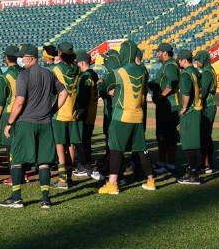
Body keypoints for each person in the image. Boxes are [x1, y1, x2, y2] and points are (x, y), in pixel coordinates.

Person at [0, 45, 68, 209]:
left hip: (26, 123)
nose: (21, 60)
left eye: (23, 57)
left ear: (30, 58)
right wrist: (52, 111)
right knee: (44, 162)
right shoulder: (49, 74)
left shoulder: (24, 75)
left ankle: (16, 198)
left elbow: (19, 101)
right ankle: (45, 199)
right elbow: (64, 92)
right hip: (45, 123)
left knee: (16, 159)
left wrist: (9, 123)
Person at [98, 40, 156, 195]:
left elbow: (104, 86)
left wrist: (108, 89)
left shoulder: (119, 71)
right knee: (142, 149)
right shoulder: (143, 71)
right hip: (138, 115)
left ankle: (112, 184)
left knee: (116, 150)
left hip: (121, 115)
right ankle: (151, 180)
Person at [50, 42, 82, 189]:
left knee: (60, 145)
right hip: (72, 112)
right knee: (70, 145)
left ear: (60, 54)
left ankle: (62, 180)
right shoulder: (77, 69)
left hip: (59, 112)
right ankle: (69, 176)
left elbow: (53, 90)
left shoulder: (56, 69)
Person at [151, 43, 180, 174]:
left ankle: (170, 164)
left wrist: (161, 96)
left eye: (159, 52)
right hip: (164, 105)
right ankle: (162, 162)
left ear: (165, 53)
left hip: (170, 106)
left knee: (169, 136)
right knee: (162, 135)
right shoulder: (165, 65)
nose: (157, 54)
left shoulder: (170, 65)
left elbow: (173, 82)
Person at [0, 45, 21, 182]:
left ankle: (14, 176)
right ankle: (24, 174)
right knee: (21, 144)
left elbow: (1, 101)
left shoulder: (4, 76)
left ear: (6, 58)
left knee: (9, 146)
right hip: (23, 113)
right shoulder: (25, 72)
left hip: (9, 113)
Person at [177, 50, 203, 185]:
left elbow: (186, 93)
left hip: (191, 110)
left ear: (184, 60)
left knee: (189, 144)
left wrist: (184, 108)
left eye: (179, 60)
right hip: (196, 109)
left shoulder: (186, 74)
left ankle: (193, 174)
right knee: (191, 142)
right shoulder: (195, 71)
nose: (178, 62)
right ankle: (191, 171)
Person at [73, 50, 99, 180]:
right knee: (86, 141)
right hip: (92, 113)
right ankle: (85, 164)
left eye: (77, 62)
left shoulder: (85, 76)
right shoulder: (93, 74)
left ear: (82, 62)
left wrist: (78, 113)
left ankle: (83, 166)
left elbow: (83, 97)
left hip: (85, 114)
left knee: (81, 141)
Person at [195, 50, 217, 174]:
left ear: (203, 60)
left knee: (205, 136)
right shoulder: (209, 70)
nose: (196, 62)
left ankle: (207, 165)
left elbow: (202, 92)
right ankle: (207, 164)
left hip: (208, 106)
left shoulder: (207, 73)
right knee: (206, 136)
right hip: (209, 106)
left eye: (198, 60)